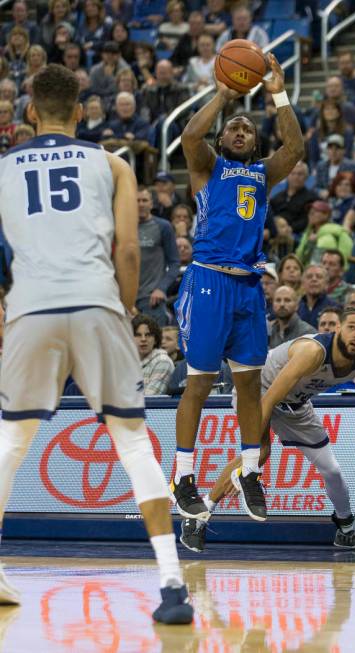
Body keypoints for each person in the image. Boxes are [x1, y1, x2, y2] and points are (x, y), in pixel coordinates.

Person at [0, 64, 193, 622]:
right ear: (81, 111)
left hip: (31, 308)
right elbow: (129, 251)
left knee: (12, 442)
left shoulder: (6, 168)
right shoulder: (111, 164)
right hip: (95, 304)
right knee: (132, 443)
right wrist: (125, 308)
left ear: (29, 112)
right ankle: (172, 585)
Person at [171, 54, 304, 522]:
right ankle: (183, 475)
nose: (241, 131)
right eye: (234, 128)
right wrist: (224, 95)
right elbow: (189, 136)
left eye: (248, 128)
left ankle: (250, 470)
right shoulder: (208, 166)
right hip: (207, 280)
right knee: (199, 386)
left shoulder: (263, 174)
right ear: (223, 138)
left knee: (248, 388)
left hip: (248, 286)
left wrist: (278, 94)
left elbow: (295, 147)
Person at [179, 309, 355, 553]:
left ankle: (347, 527)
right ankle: (198, 517)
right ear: (337, 328)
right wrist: (252, 457)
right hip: (259, 391)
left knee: (332, 470)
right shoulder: (313, 352)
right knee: (262, 452)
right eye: (352, 327)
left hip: (296, 404)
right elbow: (268, 401)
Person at [136, 187, 179, 325]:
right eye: (137, 201)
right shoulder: (123, 226)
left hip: (152, 298)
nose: (141, 204)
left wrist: (162, 288)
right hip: (126, 299)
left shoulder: (163, 226)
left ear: (152, 204)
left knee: (156, 343)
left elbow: (174, 263)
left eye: (144, 200)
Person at [270, 161, 317, 235]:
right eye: (292, 173)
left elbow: (307, 219)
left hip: (296, 234)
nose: (296, 177)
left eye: (300, 174)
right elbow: (269, 215)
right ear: (287, 176)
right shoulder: (277, 197)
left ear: (306, 177)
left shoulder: (311, 198)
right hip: (275, 231)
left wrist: (291, 228)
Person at [133, 314, 174, 395]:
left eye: (148, 335)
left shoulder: (163, 361)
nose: (143, 339)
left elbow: (149, 398)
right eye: (138, 335)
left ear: (155, 340)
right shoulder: (126, 361)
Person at [315, 134, 355, 198]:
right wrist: (320, 192)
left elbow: (354, 187)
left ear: (344, 150)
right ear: (327, 150)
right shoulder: (321, 166)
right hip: (325, 199)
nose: (333, 151)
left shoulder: (352, 166)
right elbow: (316, 187)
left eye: (337, 148)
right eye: (330, 148)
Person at [298, 264, 340, 329]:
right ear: (302, 283)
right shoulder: (295, 307)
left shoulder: (336, 307)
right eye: (309, 277)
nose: (314, 279)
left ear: (326, 284)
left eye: (319, 277)